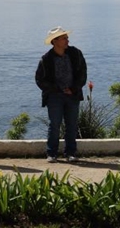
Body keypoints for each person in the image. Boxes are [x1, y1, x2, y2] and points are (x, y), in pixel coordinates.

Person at [35, 26, 87, 163]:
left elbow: (82, 73)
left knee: (72, 124)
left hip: (72, 95)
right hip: (54, 97)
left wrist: (74, 89)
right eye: (64, 38)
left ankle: (71, 153)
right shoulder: (46, 59)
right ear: (55, 41)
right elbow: (39, 79)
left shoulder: (76, 54)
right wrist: (55, 90)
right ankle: (51, 153)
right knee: (55, 124)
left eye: (66, 37)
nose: (67, 40)